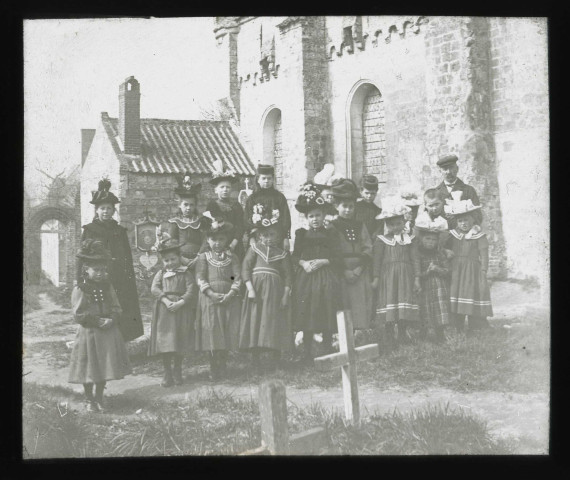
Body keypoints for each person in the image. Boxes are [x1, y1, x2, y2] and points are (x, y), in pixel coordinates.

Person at [69, 240, 132, 412]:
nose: (100, 273)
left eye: (103, 270)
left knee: (104, 366)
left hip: (107, 332)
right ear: (86, 270)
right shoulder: (81, 288)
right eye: (96, 270)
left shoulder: (107, 286)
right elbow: (78, 313)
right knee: (90, 367)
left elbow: (116, 306)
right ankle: (89, 399)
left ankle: (99, 398)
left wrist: (111, 319)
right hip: (90, 332)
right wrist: (97, 321)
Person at [78, 179, 143, 342]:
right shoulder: (89, 230)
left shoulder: (119, 231)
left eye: (109, 208)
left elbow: (126, 257)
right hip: (97, 277)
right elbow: (82, 257)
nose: (106, 211)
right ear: (96, 211)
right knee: (100, 308)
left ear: (114, 210)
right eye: (102, 208)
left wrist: (128, 278)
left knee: (119, 306)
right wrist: (81, 279)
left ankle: (120, 342)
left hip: (119, 277)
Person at [292, 183, 342, 363]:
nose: (315, 219)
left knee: (326, 306)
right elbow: (295, 256)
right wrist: (303, 263)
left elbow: (338, 257)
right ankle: (306, 350)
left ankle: (327, 346)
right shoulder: (301, 234)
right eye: (311, 216)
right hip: (306, 277)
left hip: (326, 276)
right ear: (306, 217)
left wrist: (323, 261)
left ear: (323, 216)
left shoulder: (330, 234)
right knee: (307, 308)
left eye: (318, 215)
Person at [239, 205, 293, 373]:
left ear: (278, 235)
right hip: (257, 289)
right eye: (265, 235)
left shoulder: (282, 254)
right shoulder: (254, 249)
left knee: (273, 322)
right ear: (259, 236)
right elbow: (245, 269)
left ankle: (275, 361)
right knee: (256, 321)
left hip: (275, 292)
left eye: (272, 234)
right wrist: (250, 289)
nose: (269, 238)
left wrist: (285, 295)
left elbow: (288, 276)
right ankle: (255, 362)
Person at [195, 219, 242, 380]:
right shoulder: (203, 257)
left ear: (226, 240)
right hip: (210, 298)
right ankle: (213, 367)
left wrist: (231, 293)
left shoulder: (232, 257)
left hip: (228, 298)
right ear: (208, 240)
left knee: (227, 329)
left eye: (221, 239)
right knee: (213, 329)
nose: (217, 243)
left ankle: (223, 365)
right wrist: (210, 293)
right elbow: (200, 277)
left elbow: (237, 277)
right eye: (214, 239)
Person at [148, 238, 197, 387]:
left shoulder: (186, 273)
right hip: (165, 310)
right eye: (166, 260)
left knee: (179, 340)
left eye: (173, 259)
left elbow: (191, 289)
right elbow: (154, 289)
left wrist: (181, 302)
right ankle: (167, 372)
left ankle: (177, 370)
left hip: (181, 309)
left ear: (179, 258)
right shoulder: (161, 274)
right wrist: (166, 301)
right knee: (166, 340)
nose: (170, 263)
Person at [372, 202, 421, 349]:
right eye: (392, 224)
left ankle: (402, 332)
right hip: (388, 277)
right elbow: (377, 261)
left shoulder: (410, 239)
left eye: (398, 223)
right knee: (390, 303)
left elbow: (415, 259)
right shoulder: (381, 240)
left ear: (404, 222)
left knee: (403, 303)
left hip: (406, 276)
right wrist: (376, 278)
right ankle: (388, 334)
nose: (395, 227)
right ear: (387, 224)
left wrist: (417, 278)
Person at [329, 179, 373, 330]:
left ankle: (360, 333)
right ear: (336, 206)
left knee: (360, 304)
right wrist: (345, 271)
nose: (348, 210)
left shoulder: (360, 225)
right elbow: (332, 251)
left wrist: (359, 269)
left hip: (359, 272)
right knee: (343, 303)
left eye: (351, 206)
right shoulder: (332, 227)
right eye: (344, 206)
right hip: (342, 271)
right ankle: (343, 334)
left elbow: (368, 247)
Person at [444, 199, 493, 335]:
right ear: (456, 222)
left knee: (472, 295)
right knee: (456, 296)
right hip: (456, 271)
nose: (463, 223)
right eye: (460, 221)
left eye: (466, 220)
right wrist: (446, 251)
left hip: (472, 271)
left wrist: (483, 270)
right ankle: (457, 327)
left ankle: (475, 327)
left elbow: (484, 254)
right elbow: (442, 248)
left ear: (473, 219)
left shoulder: (479, 236)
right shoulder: (452, 235)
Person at [413, 218, 451, 344]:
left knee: (439, 310)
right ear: (421, 239)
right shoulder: (418, 254)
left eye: (433, 239)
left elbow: (447, 271)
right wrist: (427, 272)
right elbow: (416, 273)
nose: (430, 242)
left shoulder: (439, 253)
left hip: (439, 287)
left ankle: (440, 334)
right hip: (425, 287)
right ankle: (423, 334)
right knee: (425, 310)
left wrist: (437, 269)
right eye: (427, 239)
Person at [244, 164, 292, 251]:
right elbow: (247, 218)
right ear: (258, 180)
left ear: (273, 179)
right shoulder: (252, 198)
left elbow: (286, 218)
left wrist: (286, 238)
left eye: (269, 178)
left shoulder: (279, 197)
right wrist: (251, 238)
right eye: (263, 178)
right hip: (257, 237)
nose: (266, 181)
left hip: (277, 237)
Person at [205, 160, 246, 259]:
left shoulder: (236, 206)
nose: (225, 190)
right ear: (216, 190)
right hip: (217, 243)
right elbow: (207, 225)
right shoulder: (212, 205)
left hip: (235, 243)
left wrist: (234, 243)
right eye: (222, 187)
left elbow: (241, 225)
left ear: (231, 189)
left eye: (228, 187)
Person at [168, 174, 210, 270]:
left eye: (191, 205)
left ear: (195, 206)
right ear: (179, 205)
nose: (188, 208)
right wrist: (181, 258)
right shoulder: (175, 222)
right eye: (185, 205)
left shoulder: (201, 221)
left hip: (199, 259)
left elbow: (205, 241)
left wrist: (199, 257)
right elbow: (172, 243)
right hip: (180, 259)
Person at [435, 154, 482, 228]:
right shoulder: (436, 193)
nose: (449, 172)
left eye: (451, 167)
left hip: (464, 235)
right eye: (445, 169)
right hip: (444, 236)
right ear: (440, 171)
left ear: (457, 168)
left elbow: (478, 216)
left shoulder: (469, 190)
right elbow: (432, 217)